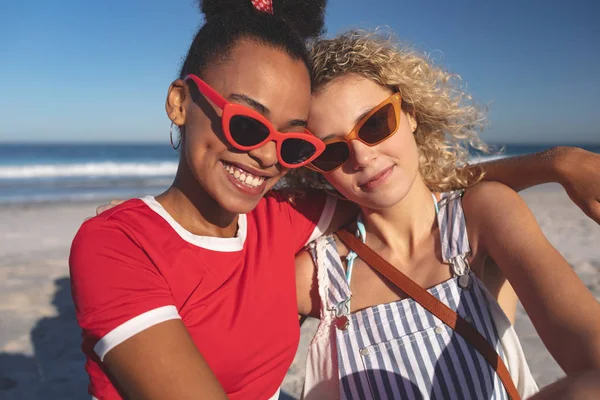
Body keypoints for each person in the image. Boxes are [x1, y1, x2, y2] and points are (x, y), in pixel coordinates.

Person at [74, 1, 600, 399]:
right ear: (179, 103)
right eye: (326, 151)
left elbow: (417, 188)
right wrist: (139, 229)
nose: (264, 156)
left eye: (295, 144)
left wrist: (557, 164)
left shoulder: (291, 219)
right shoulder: (122, 244)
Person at [294, 30, 600, 400]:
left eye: (374, 124)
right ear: (315, 168)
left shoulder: (480, 218)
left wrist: (559, 162)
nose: (362, 157)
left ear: (408, 114)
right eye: (332, 152)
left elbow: (590, 358)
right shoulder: (318, 275)